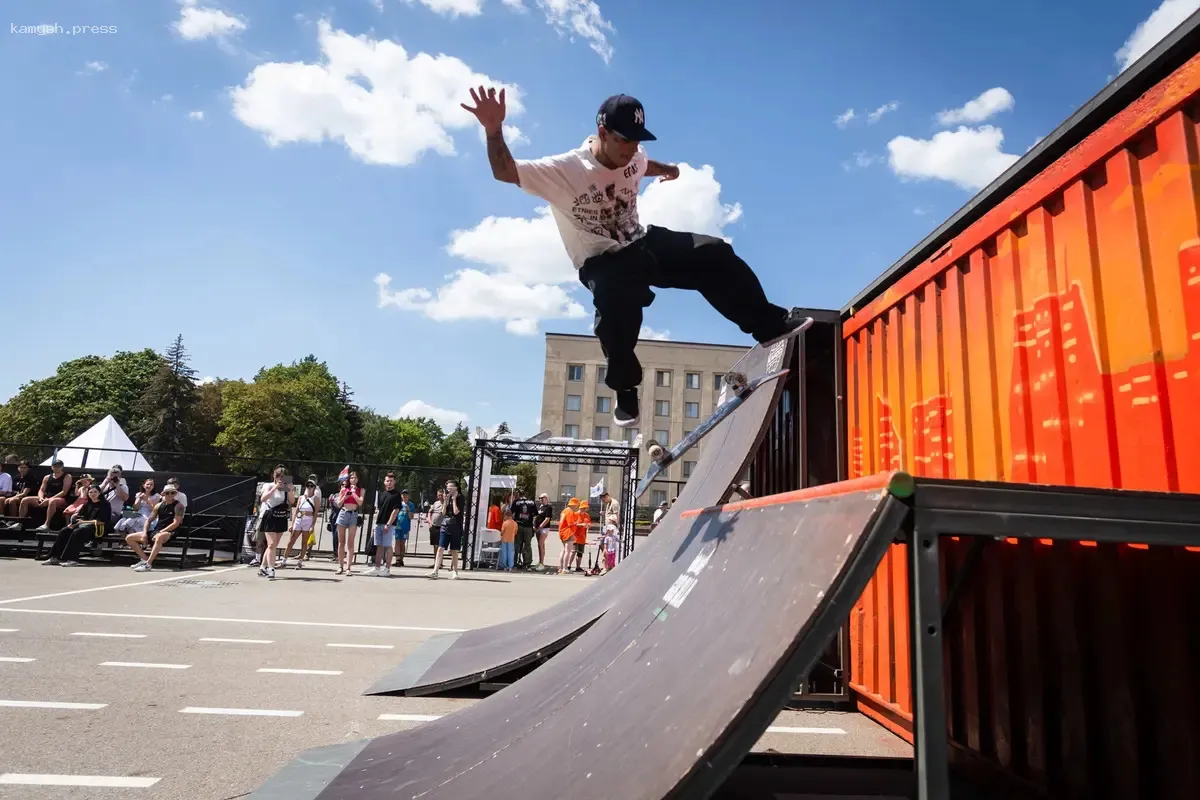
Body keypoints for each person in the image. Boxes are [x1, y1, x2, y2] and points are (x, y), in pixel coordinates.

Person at [461, 86, 807, 427]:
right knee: (616, 307)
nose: (631, 150)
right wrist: (493, 129)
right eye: (624, 141)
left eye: (637, 141)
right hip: (602, 261)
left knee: (713, 253)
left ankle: (768, 326)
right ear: (602, 133)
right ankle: (625, 387)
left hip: (641, 243)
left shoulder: (635, 155)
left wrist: (666, 168)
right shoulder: (565, 170)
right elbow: (504, 171)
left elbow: (642, 165)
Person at [41, 483, 111, 566]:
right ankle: (54, 557)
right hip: (85, 526)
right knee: (65, 530)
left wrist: (82, 522)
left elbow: (101, 521)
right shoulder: (87, 504)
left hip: (99, 528)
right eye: (91, 492)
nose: (93, 494)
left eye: (95, 492)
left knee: (78, 532)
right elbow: (80, 518)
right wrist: (73, 524)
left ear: (99, 493)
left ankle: (72, 559)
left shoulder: (105, 504)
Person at [128, 485, 185, 572]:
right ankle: (144, 559)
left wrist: (162, 531)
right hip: (157, 530)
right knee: (129, 538)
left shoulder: (179, 506)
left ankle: (148, 564)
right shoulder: (158, 505)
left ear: (175, 494)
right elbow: (148, 521)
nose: (170, 495)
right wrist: (144, 533)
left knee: (159, 537)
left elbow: (176, 523)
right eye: (168, 493)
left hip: (171, 531)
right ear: (163, 494)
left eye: (172, 493)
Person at [14, 459, 72, 531]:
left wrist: (49, 499)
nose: (56, 468)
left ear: (62, 467)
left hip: (61, 499)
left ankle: (46, 524)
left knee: (52, 501)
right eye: (55, 466)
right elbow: (41, 490)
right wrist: (41, 498)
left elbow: (64, 492)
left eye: (59, 466)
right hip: (46, 497)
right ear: (52, 467)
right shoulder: (47, 477)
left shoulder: (67, 476)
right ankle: (20, 522)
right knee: (25, 500)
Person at [257, 470, 293, 580]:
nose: (281, 479)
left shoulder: (285, 488)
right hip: (270, 516)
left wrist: (290, 489)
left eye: (283, 477)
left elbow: (292, 501)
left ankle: (263, 567)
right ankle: (271, 569)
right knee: (271, 544)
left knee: (273, 545)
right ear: (274, 476)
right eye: (278, 476)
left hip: (281, 516)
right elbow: (263, 499)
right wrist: (275, 488)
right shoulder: (269, 485)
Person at [429, 480, 465, 580]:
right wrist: (445, 500)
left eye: (450, 487)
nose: (448, 489)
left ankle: (455, 571)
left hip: (456, 526)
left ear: (456, 488)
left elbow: (456, 512)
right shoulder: (447, 497)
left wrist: (453, 500)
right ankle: (435, 571)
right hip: (445, 524)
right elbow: (444, 513)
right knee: (440, 548)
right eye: (447, 487)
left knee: (454, 550)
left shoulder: (460, 497)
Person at [368, 472, 401, 578]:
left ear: (394, 482)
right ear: (384, 482)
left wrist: (388, 524)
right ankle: (377, 568)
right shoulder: (382, 494)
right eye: (387, 480)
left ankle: (387, 568)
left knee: (388, 546)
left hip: (389, 525)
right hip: (379, 523)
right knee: (379, 546)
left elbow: (395, 511)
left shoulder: (396, 495)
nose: (389, 482)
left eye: (391, 481)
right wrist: (376, 523)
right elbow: (379, 510)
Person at [281, 479, 320, 568]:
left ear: (314, 488)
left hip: (308, 519)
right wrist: (292, 523)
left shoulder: (316, 499)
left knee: (304, 542)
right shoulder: (301, 497)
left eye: (311, 486)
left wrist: (312, 526)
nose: (309, 488)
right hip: (299, 518)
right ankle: (284, 560)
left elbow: (316, 513)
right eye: (308, 486)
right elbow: (296, 510)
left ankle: (300, 561)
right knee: (291, 541)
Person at [335, 472, 364, 576]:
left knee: (350, 543)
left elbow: (360, 502)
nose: (354, 479)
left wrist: (354, 492)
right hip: (343, 513)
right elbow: (338, 504)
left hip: (353, 515)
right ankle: (340, 566)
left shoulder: (361, 490)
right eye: (352, 478)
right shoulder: (343, 489)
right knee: (341, 542)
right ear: (349, 479)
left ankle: (348, 567)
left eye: (356, 478)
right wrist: (345, 497)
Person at [510, 491, 538, 569]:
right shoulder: (532, 502)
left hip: (518, 525)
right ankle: (527, 562)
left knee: (517, 544)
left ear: (519, 495)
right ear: (527, 495)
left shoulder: (516, 502)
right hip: (528, 526)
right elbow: (536, 514)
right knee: (527, 545)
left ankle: (514, 562)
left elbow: (511, 512)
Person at [392, 489, 415, 568]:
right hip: (398, 525)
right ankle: (397, 559)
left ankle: (401, 559)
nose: (405, 496)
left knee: (402, 543)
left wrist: (408, 510)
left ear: (408, 496)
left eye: (406, 495)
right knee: (397, 542)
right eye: (403, 495)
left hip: (405, 526)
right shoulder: (398, 504)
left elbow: (411, 517)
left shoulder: (411, 504)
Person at [557, 497, 579, 575]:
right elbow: (571, 523)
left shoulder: (564, 511)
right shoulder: (570, 511)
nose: (576, 507)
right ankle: (565, 568)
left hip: (562, 531)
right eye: (576, 505)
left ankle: (561, 567)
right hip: (568, 532)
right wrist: (577, 522)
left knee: (563, 550)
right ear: (573, 505)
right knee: (568, 550)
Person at [533, 492, 553, 569]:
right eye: (540, 498)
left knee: (540, 544)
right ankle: (540, 562)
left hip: (544, 528)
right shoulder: (541, 507)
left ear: (546, 498)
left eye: (542, 497)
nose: (540, 499)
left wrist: (540, 527)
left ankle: (541, 563)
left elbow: (547, 519)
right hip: (538, 528)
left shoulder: (548, 507)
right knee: (540, 545)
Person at [572, 499, 591, 573]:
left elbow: (589, 524)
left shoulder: (587, 515)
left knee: (580, 553)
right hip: (575, 537)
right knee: (573, 552)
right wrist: (581, 524)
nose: (584, 509)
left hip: (583, 537)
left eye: (585, 508)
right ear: (580, 507)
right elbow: (573, 524)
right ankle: (569, 565)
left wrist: (588, 525)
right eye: (583, 508)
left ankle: (578, 567)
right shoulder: (575, 514)